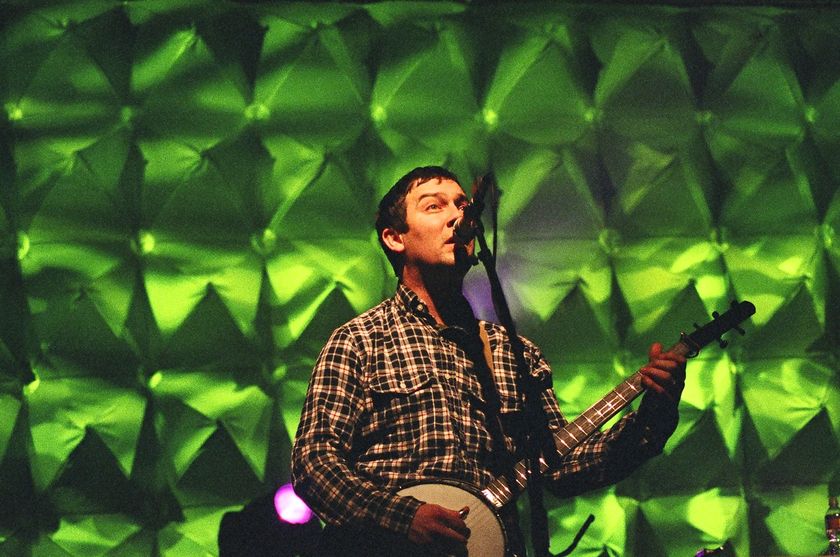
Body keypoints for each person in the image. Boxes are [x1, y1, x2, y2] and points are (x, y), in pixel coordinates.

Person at [291, 166, 686, 556]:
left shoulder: (514, 352)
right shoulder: (360, 340)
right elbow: (314, 462)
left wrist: (654, 413)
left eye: (462, 204)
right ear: (395, 238)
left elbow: (561, 469)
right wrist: (403, 517)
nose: (457, 216)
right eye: (434, 206)